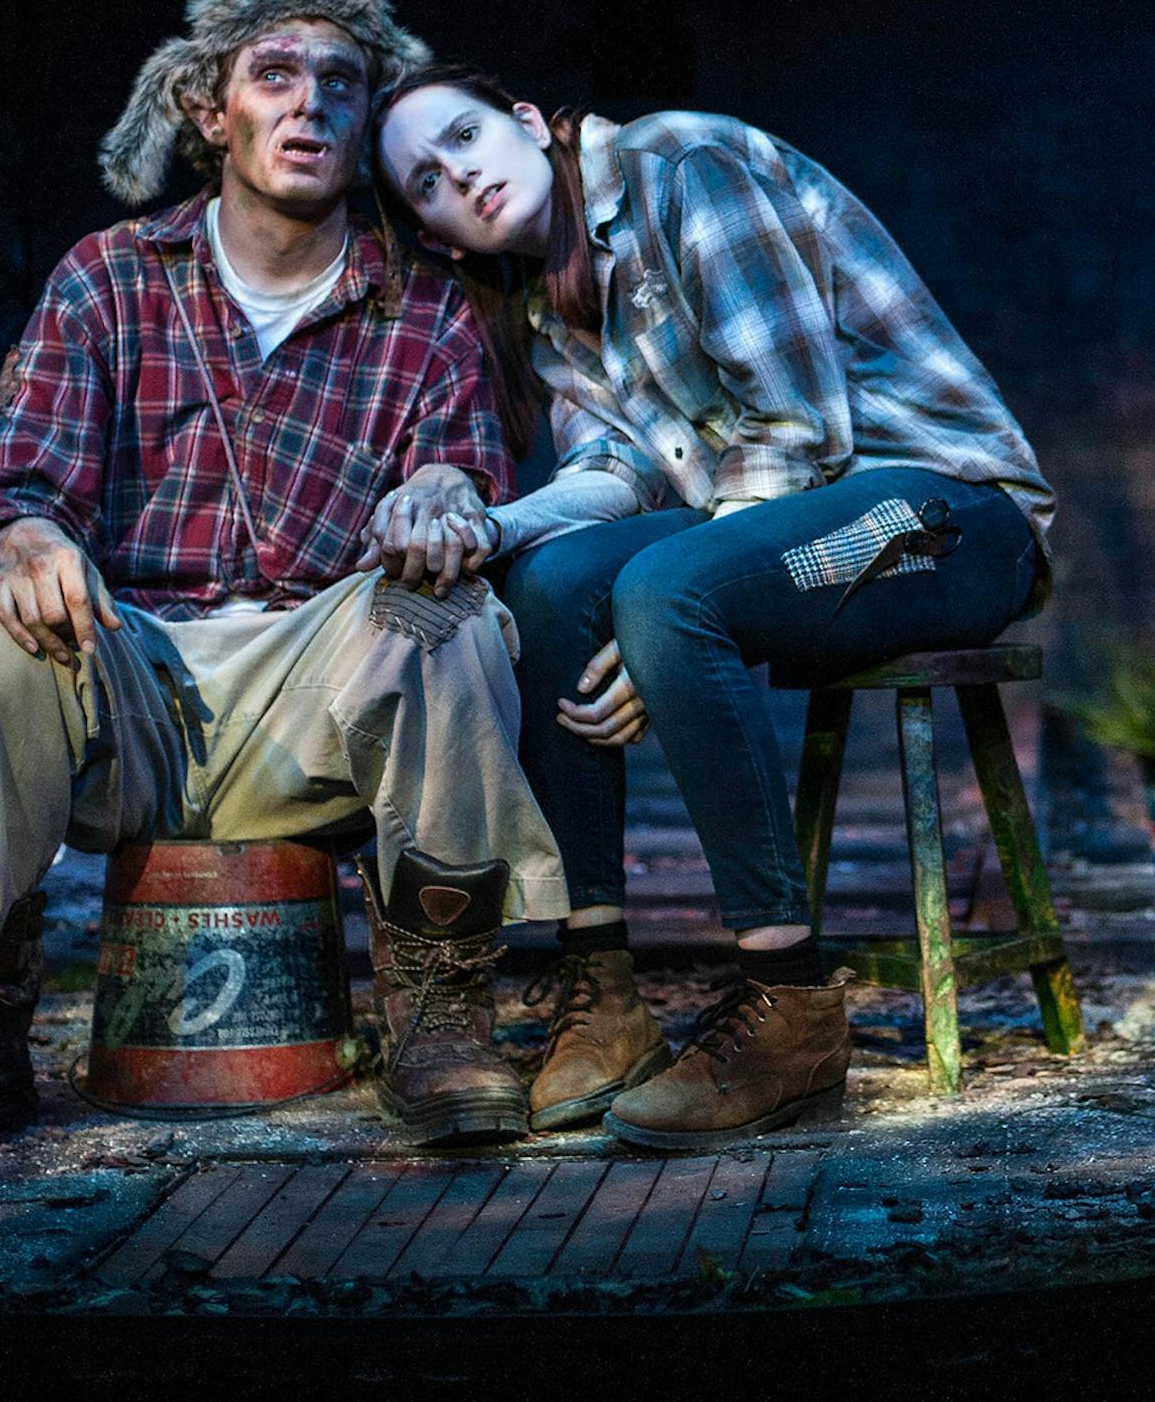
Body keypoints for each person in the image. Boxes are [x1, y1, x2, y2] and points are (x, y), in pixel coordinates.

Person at [0, 0, 569, 1169]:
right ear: (209, 107)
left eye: (342, 79)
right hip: (128, 697)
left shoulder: (422, 308)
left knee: (448, 614)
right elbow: (3, 478)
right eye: (274, 72)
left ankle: (438, 1019)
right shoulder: (109, 280)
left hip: (321, 702)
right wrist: (26, 530)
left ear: (365, 119)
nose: (310, 99)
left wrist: (441, 490)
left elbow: (467, 467)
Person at [372, 64, 1055, 1149]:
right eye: (426, 182)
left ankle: (788, 1003)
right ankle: (603, 991)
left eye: (464, 138)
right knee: (550, 585)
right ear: (441, 233)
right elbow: (616, 472)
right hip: (795, 527)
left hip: (949, 518)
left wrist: (658, 631)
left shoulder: (681, 167)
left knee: (660, 587)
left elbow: (799, 432)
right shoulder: (555, 308)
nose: (460, 173)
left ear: (523, 122)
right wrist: (500, 531)